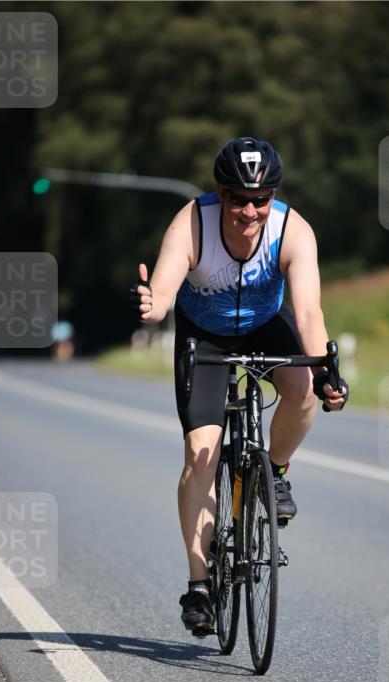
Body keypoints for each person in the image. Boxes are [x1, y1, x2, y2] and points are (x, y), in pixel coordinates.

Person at [131, 137, 348, 634]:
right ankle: (200, 584)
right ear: (219, 193)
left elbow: (309, 311)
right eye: (236, 197)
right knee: (201, 453)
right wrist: (152, 306)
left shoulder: (293, 231)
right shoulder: (192, 223)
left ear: (273, 196)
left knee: (303, 391)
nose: (248, 210)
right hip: (203, 337)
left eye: (260, 198)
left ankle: (273, 472)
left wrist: (323, 372)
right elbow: (163, 290)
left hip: (265, 323)